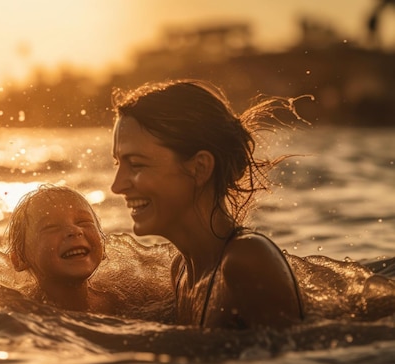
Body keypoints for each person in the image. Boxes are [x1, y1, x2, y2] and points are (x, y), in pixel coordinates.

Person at [110, 79, 306, 329]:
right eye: (118, 164)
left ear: (199, 168)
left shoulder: (247, 261)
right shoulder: (181, 270)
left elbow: (290, 363)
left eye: (136, 164)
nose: (117, 186)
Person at [4, 184, 118, 314]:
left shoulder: (117, 301)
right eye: (51, 227)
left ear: (102, 244)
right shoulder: (20, 309)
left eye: (83, 222)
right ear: (18, 258)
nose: (74, 230)